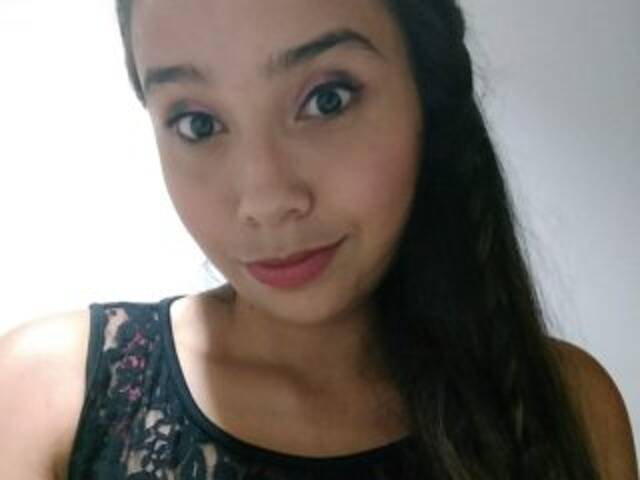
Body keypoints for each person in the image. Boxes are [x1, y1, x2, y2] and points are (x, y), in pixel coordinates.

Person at [0, 0, 637, 478]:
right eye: (197, 123)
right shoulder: (50, 399)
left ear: (427, 93)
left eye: (327, 99)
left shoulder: (569, 405)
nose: (264, 199)